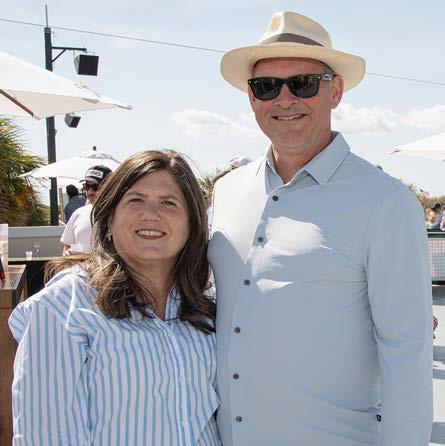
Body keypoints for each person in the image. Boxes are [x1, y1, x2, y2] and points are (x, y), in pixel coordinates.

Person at [208, 11, 433, 446]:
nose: (285, 99)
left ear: (336, 91)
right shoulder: (226, 191)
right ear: (251, 97)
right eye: (266, 86)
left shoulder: (385, 202)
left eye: (304, 83)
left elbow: (407, 353)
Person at [9, 150, 221, 445]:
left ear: (192, 223)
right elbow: (47, 436)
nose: (151, 214)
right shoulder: (62, 308)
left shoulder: (207, 302)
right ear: (109, 217)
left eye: (168, 203)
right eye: (135, 200)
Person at [60, 165, 112, 255]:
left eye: (95, 187)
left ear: (110, 187)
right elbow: (67, 247)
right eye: (87, 186)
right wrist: (67, 254)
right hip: (79, 263)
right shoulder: (78, 213)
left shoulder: (120, 214)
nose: (90, 191)